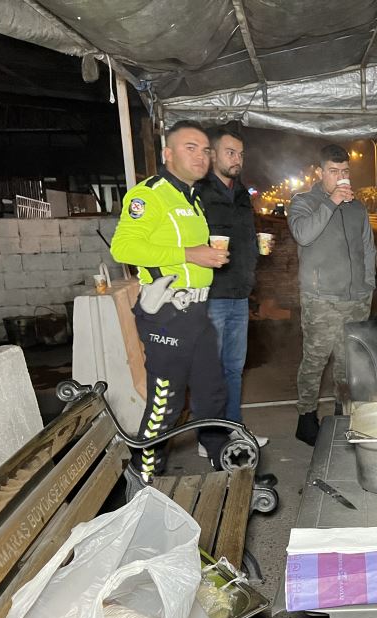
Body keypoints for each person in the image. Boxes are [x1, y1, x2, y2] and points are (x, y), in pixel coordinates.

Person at [111, 119, 231, 490]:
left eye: (205, 149)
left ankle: (221, 462)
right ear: (168, 154)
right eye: (190, 148)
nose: (202, 156)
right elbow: (124, 247)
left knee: (212, 391)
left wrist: (205, 258)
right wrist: (190, 255)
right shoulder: (150, 194)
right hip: (165, 313)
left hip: (196, 312)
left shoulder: (190, 196)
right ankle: (143, 477)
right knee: (166, 401)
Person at [288, 144, 376, 446]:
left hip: (356, 298)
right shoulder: (304, 202)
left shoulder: (357, 207)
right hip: (321, 298)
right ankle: (306, 417)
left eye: (345, 172)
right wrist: (331, 202)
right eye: (333, 171)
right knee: (315, 360)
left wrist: (368, 284)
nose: (340, 177)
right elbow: (303, 234)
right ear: (320, 171)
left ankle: (341, 415)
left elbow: (367, 247)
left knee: (347, 362)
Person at [195, 125, 269, 453]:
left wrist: (255, 254)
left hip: (239, 294)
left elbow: (242, 239)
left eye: (240, 153)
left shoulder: (241, 194)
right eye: (230, 152)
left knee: (234, 369)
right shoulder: (197, 192)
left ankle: (234, 429)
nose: (237, 159)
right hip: (211, 296)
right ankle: (209, 440)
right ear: (212, 155)